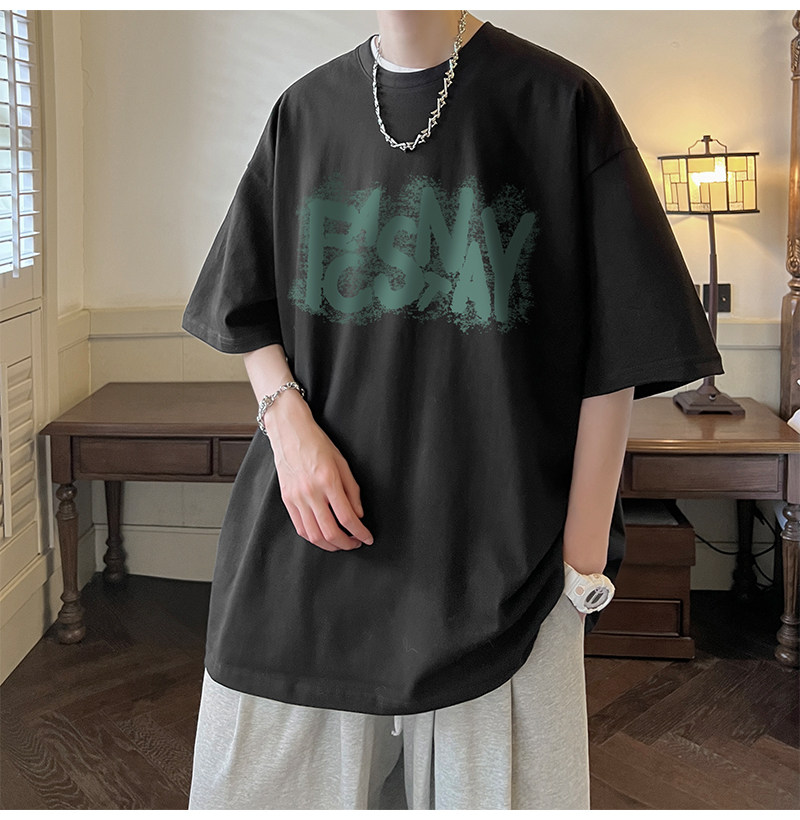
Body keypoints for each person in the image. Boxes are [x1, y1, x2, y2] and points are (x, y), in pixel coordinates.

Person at [181, 10, 724, 810]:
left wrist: (578, 568)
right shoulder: (305, 110)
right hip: (311, 543)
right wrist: (287, 426)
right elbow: (244, 305)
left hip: (499, 565)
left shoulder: (560, 103)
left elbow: (617, 355)